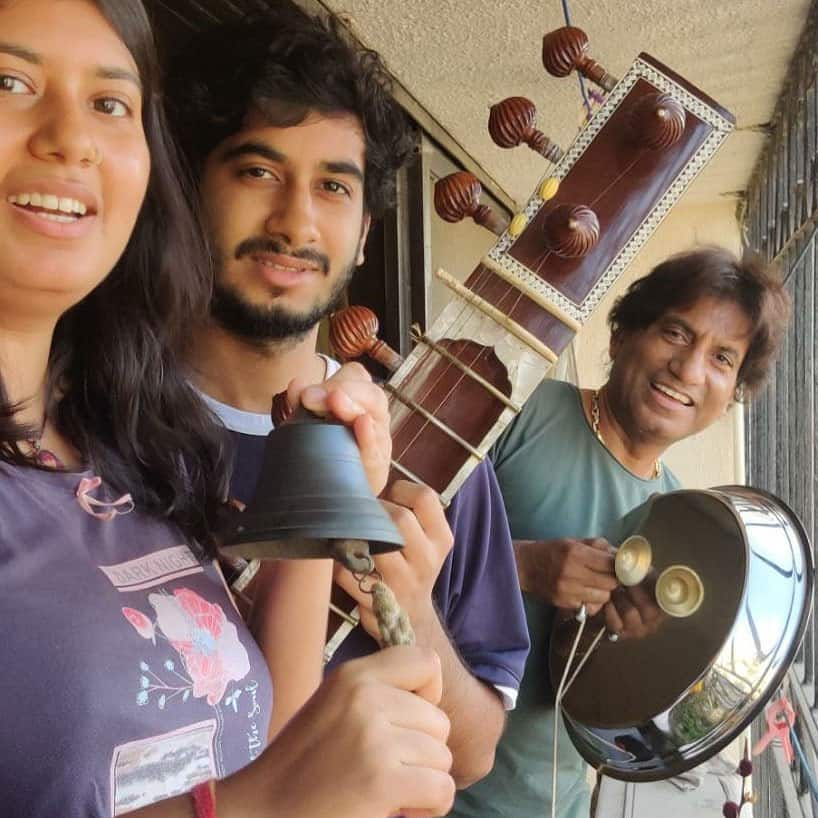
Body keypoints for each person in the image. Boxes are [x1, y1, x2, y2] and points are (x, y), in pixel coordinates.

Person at [0, 2, 456, 817]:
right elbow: (262, 792)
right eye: (10, 81)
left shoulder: (124, 441)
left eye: (110, 103)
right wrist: (258, 808)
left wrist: (321, 480)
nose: (70, 139)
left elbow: (258, 736)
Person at [164, 2, 530, 788]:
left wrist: (413, 614)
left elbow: (472, 755)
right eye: (257, 171)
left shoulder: (431, 454)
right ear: (190, 192)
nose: (295, 219)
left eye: (333, 187)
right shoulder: (93, 429)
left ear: (366, 232)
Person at [451, 247, 791, 818]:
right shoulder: (518, 409)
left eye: (722, 358)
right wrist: (524, 566)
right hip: (416, 789)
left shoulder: (686, 522)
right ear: (621, 336)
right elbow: (378, 545)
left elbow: (600, 711)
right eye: (676, 332)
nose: (688, 369)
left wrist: (608, 645)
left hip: (549, 804)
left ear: (732, 395)